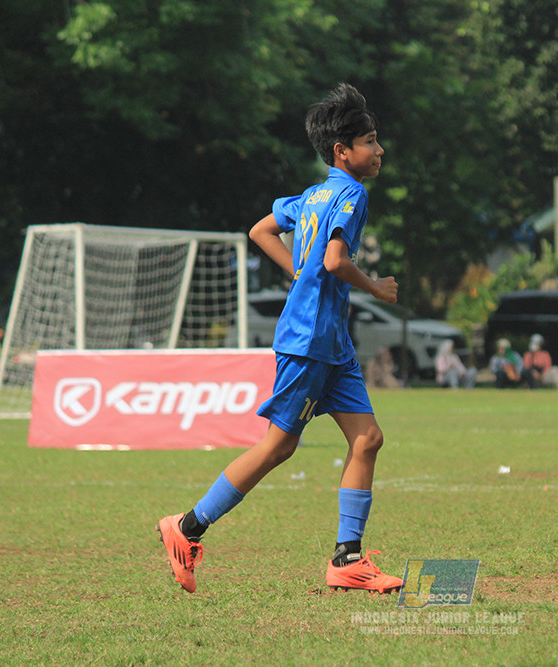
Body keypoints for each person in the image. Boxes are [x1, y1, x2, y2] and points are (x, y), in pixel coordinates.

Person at [156, 84, 403, 595]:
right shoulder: (353, 195)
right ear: (343, 151)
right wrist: (375, 287)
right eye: (371, 142)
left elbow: (260, 231)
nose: (379, 151)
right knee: (277, 447)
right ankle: (186, 528)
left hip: (331, 343)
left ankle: (348, 560)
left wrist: (298, 270)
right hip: (310, 339)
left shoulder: (311, 196)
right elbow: (334, 261)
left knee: (368, 439)